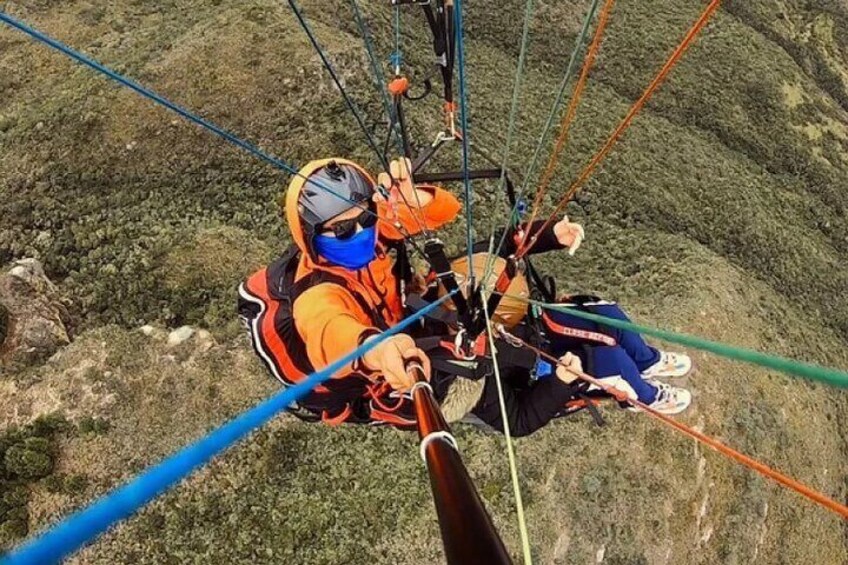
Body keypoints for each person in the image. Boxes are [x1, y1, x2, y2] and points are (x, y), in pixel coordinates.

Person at [238, 157, 692, 435]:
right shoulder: (317, 294)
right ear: (312, 237)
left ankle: (647, 359)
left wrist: (549, 234)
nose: (358, 231)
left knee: (602, 319)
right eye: (340, 229)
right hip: (388, 356)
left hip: (429, 323)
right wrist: (375, 350)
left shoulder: (380, 238)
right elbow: (329, 329)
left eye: (364, 218)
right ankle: (646, 388)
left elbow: (460, 221)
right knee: (602, 354)